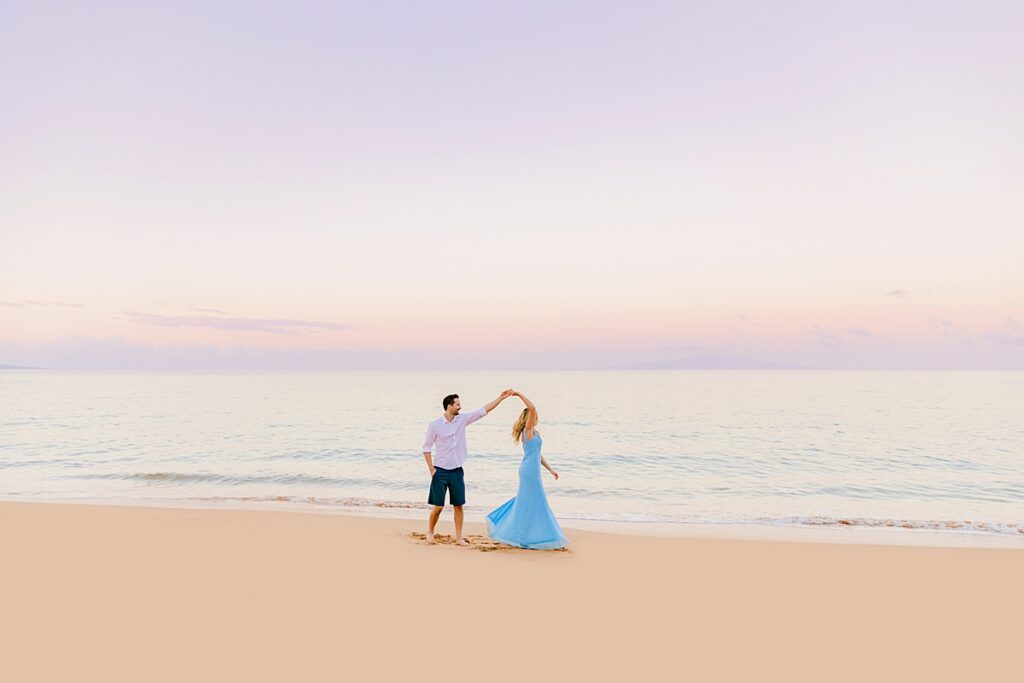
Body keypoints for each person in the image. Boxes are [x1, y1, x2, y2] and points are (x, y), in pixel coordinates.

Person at [422, 389, 514, 545]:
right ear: (449, 406)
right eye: (457, 404)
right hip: (440, 470)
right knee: (438, 507)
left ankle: (458, 538)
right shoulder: (435, 425)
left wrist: (501, 398)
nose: (460, 407)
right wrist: (431, 469)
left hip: (457, 470)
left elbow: (483, 411)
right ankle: (430, 532)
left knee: (459, 506)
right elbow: (426, 448)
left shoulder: (462, 420)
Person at [486, 390, 568, 550]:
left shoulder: (535, 433)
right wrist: (518, 394)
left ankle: (527, 534)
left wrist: (551, 470)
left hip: (532, 469)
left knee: (530, 501)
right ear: (529, 418)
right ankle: (520, 536)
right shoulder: (528, 430)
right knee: (530, 501)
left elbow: (537, 454)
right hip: (528, 471)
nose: (536, 416)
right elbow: (532, 407)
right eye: (533, 415)